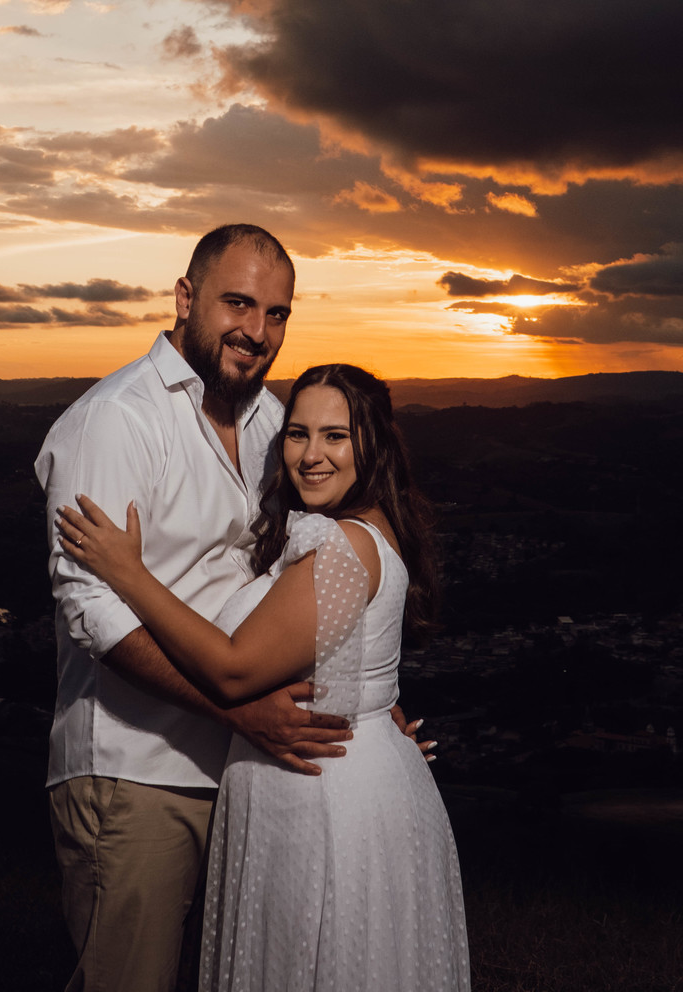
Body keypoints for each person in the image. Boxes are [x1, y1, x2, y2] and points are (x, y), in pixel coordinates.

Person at [57, 362, 471, 992]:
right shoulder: (366, 530)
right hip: (330, 780)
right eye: (298, 434)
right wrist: (374, 704)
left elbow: (232, 668)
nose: (311, 455)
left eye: (336, 436)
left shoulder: (340, 546)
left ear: (375, 444)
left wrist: (129, 571)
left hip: (322, 796)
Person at [34, 225, 359, 992]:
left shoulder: (272, 423)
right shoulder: (117, 420)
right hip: (133, 771)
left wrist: (363, 702)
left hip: (246, 770)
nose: (257, 331)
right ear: (185, 298)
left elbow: (300, 579)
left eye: (277, 313)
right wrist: (236, 709)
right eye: (238, 303)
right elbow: (93, 613)